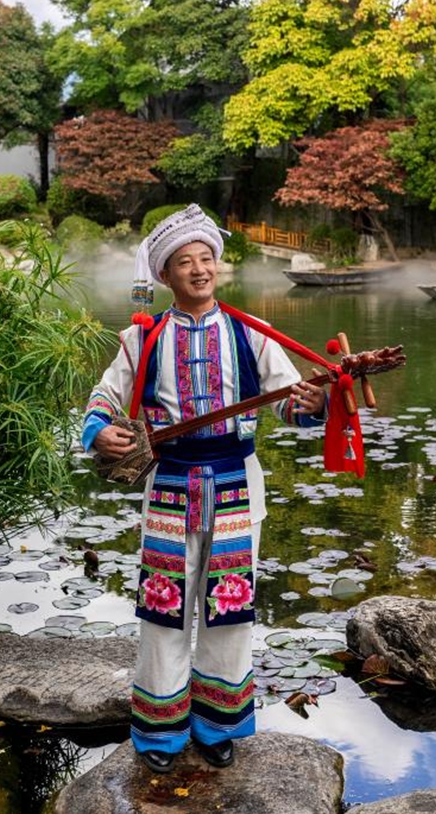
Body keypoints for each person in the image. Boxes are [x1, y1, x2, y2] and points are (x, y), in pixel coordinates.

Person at [81, 204, 326, 774]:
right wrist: (101, 435)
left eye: (206, 258)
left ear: (218, 266)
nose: (198, 269)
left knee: (230, 610)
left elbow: (291, 401)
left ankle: (217, 725)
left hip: (238, 484)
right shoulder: (141, 339)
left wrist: (312, 403)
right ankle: (161, 733)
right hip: (169, 484)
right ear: (165, 276)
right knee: (163, 611)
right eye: (184, 262)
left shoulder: (251, 333)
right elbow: (101, 402)